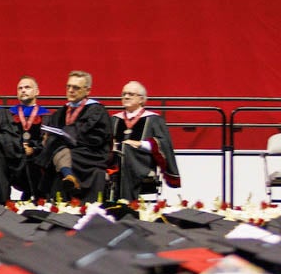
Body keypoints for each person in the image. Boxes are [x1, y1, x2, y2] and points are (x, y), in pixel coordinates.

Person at [42, 70, 110, 202]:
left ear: (87, 91)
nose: (71, 90)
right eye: (68, 86)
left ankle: (68, 181)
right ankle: (62, 189)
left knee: (62, 153)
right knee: (52, 151)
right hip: (63, 151)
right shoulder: (61, 112)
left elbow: (98, 138)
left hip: (90, 153)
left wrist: (70, 137)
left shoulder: (96, 110)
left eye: (76, 87)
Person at [111, 80, 180, 199]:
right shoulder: (114, 119)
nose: (126, 97)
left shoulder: (153, 120)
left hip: (141, 164)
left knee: (126, 149)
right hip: (114, 163)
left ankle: (126, 204)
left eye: (130, 94)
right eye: (124, 94)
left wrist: (140, 144)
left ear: (142, 99)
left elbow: (164, 144)